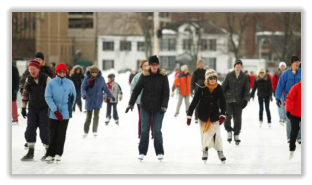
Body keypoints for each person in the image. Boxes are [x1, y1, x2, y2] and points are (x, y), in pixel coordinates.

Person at [126, 55, 169, 162]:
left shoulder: (163, 76)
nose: (154, 66)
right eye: (152, 65)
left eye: (156, 64)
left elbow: (166, 93)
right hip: (145, 107)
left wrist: (164, 105)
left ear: (158, 65)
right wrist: (131, 103)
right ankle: (142, 152)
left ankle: (159, 152)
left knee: (157, 130)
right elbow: (136, 90)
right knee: (144, 130)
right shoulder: (144, 76)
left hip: (159, 108)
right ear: (149, 65)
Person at [187, 69, 227, 164]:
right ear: (207, 79)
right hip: (203, 115)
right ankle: (205, 151)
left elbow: (222, 102)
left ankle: (220, 151)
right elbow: (194, 101)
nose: (213, 80)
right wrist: (189, 115)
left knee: (216, 135)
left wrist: (222, 114)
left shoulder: (218, 88)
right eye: (210, 78)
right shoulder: (202, 87)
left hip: (214, 114)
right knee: (204, 134)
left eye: (214, 78)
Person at [44, 64, 76, 163]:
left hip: (65, 114)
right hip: (54, 114)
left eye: (63, 72)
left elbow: (73, 97)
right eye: (59, 72)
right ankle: (50, 154)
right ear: (56, 72)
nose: (62, 73)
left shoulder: (70, 83)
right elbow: (48, 97)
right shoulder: (51, 83)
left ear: (66, 72)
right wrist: (55, 110)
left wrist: (68, 109)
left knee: (61, 134)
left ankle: (58, 153)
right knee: (53, 134)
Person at [21, 60, 51, 161]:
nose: (32, 71)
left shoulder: (46, 79)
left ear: (38, 69)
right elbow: (25, 93)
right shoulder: (28, 79)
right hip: (33, 108)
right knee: (30, 129)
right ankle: (30, 152)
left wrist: (53, 108)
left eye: (34, 69)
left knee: (44, 130)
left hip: (44, 108)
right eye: (30, 69)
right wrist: (23, 107)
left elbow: (52, 94)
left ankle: (48, 151)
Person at [81, 65, 114, 138]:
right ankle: (85, 131)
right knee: (88, 117)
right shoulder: (87, 78)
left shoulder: (101, 79)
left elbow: (106, 89)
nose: (94, 74)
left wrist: (111, 96)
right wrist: (83, 95)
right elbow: (83, 87)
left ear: (98, 72)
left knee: (96, 116)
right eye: (93, 72)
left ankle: (94, 131)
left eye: (95, 73)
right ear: (91, 72)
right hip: (89, 99)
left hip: (98, 100)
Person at [222, 59, 250, 145]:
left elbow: (246, 89)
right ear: (234, 66)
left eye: (239, 64)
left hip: (239, 100)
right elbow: (223, 87)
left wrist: (245, 100)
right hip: (229, 100)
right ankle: (229, 131)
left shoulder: (244, 77)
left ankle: (237, 134)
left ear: (241, 66)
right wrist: (221, 98)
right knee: (227, 116)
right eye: (237, 64)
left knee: (238, 118)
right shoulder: (229, 75)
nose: (238, 66)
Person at [276, 56, 301, 144]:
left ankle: (299, 137)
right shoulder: (285, 74)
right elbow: (280, 86)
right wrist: (277, 98)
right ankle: (289, 137)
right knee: (289, 118)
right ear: (292, 63)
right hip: (289, 100)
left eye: (299, 62)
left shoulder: (301, 72)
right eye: (296, 62)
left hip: (299, 100)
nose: (298, 64)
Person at [130, 60, 154, 141]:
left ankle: (153, 134)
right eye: (145, 65)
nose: (147, 66)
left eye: (148, 65)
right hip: (141, 101)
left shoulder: (152, 76)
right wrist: (135, 100)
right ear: (141, 67)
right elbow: (133, 89)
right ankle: (140, 134)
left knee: (152, 117)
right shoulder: (137, 76)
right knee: (142, 118)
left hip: (151, 101)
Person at [286, 81, 301, 160]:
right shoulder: (295, 87)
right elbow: (289, 98)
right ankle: (291, 150)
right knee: (294, 131)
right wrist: (288, 110)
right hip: (295, 114)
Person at [190, 59, 206, 124]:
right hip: (197, 89)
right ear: (198, 64)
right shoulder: (195, 72)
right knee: (197, 103)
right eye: (200, 63)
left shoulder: (205, 71)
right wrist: (192, 90)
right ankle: (196, 117)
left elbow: (208, 79)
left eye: (202, 63)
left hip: (205, 89)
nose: (201, 64)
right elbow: (192, 82)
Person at [272, 62, 287, 126]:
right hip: (279, 92)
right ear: (279, 67)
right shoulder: (276, 74)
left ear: (285, 67)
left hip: (286, 92)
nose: (282, 67)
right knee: (280, 106)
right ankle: (281, 118)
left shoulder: (288, 73)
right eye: (281, 66)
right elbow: (274, 82)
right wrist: (274, 91)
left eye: (283, 66)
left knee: (286, 106)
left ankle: (286, 118)